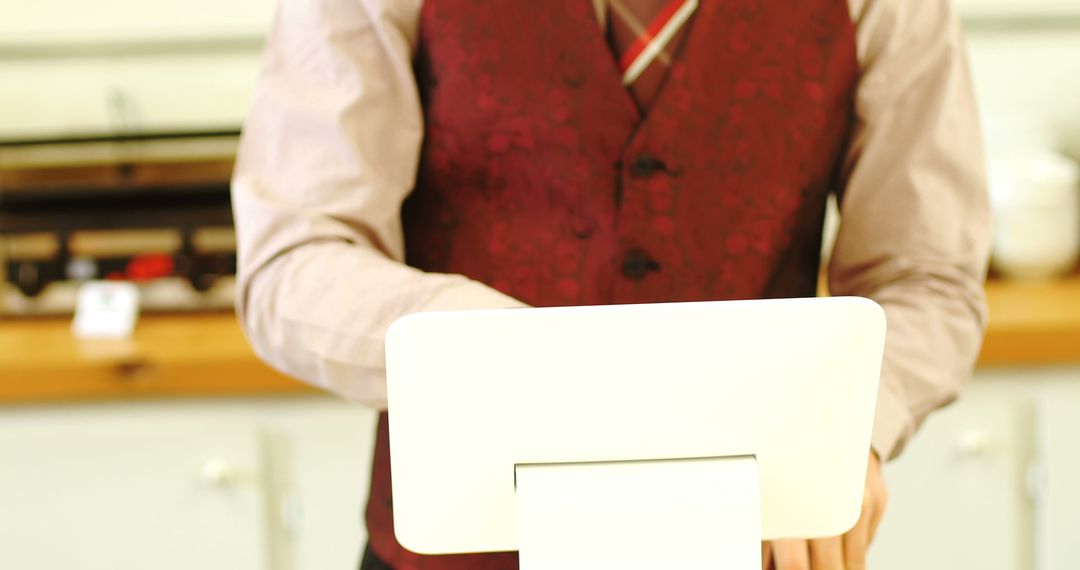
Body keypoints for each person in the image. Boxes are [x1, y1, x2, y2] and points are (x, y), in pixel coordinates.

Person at [231, 0, 991, 568]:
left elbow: (925, 274)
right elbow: (296, 252)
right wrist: (491, 349)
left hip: (747, 545)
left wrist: (850, 425)